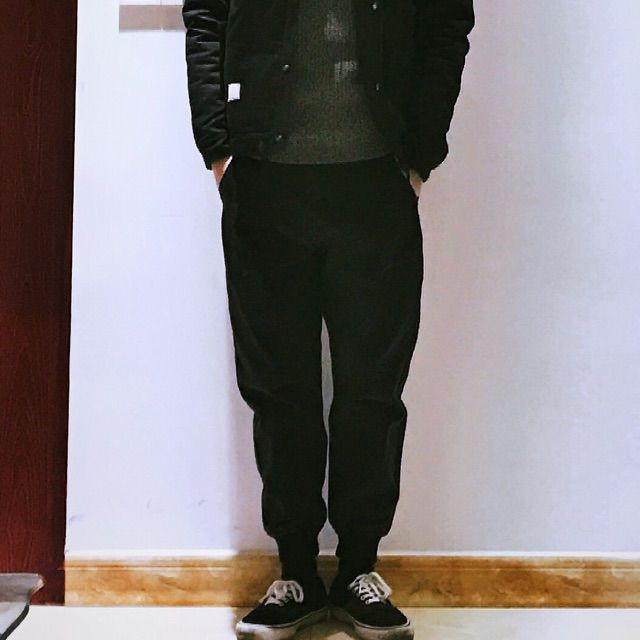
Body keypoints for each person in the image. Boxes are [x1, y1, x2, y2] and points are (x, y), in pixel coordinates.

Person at [182, 1, 474, 638]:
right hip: (263, 180)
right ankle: (294, 572)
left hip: (375, 183)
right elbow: (205, 16)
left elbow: (448, 21)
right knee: (277, 389)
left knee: (372, 390)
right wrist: (218, 145)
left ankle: (360, 568)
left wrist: (421, 152)